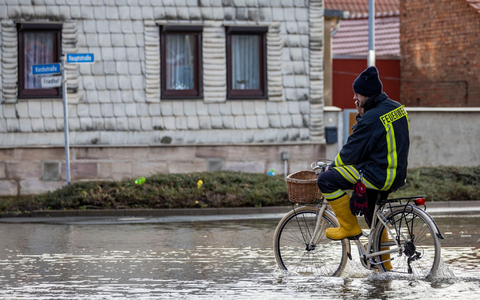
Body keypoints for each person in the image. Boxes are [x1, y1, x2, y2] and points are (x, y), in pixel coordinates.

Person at [317, 66, 410, 270]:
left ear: (366, 94)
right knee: (372, 213)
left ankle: (349, 226)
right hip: (396, 174)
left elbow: (350, 151)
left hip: (378, 175)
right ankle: (383, 267)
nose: (354, 98)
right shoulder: (397, 109)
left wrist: (330, 168)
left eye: (357, 94)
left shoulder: (371, 118)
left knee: (326, 180)